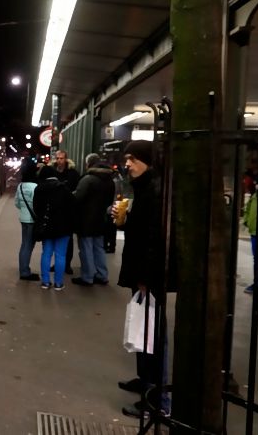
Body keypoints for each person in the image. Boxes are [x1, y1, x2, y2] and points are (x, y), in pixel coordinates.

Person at [113, 140, 171, 419]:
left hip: (149, 274)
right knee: (142, 328)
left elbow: (155, 239)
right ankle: (144, 380)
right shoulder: (145, 188)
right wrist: (121, 220)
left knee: (153, 335)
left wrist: (146, 277)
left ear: (147, 160)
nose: (127, 164)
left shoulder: (156, 191)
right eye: (127, 159)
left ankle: (157, 399)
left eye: (133, 159)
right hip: (141, 272)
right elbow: (140, 230)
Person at [71, 153, 115, 286]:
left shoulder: (88, 179)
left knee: (86, 248)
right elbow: (109, 200)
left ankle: (88, 276)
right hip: (101, 219)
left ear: (88, 164)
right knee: (99, 248)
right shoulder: (109, 180)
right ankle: (102, 275)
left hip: (85, 219)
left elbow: (77, 198)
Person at [33, 165, 74, 291]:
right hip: (63, 228)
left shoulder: (39, 189)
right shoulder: (64, 189)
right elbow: (73, 208)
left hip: (46, 228)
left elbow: (36, 208)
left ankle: (45, 282)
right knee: (61, 256)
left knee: (46, 253)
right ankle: (58, 283)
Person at [52, 150, 79, 274]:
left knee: (68, 240)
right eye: (57, 158)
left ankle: (67, 264)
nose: (59, 161)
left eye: (61, 158)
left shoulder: (73, 173)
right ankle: (58, 263)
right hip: (55, 211)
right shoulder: (52, 172)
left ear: (66, 159)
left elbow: (76, 191)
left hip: (68, 211)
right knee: (56, 238)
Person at [14, 158, 40, 281]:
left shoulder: (20, 186)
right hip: (32, 220)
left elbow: (17, 203)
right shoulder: (35, 186)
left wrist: (24, 209)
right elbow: (37, 205)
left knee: (24, 244)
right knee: (28, 246)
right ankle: (25, 272)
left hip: (23, 219)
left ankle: (23, 269)